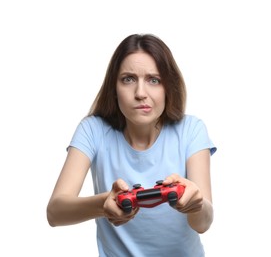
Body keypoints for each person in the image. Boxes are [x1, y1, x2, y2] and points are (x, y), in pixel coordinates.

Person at [47, 33, 217, 257]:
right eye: (128, 79)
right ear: (114, 88)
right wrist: (102, 204)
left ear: (168, 87)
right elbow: (55, 212)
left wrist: (196, 204)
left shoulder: (191, 130)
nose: (140, 93)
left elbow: (202, 224)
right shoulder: (93, 130)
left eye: (153, 80)